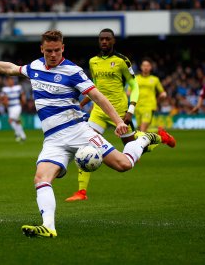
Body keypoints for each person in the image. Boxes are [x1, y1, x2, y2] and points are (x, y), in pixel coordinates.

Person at [0, 29, 176, 238]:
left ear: (63, 48)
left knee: (123, 165)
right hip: (53, 139)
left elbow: (98, 97)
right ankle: (48, 226)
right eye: (49, 50)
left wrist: (119, 121)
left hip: (79, 131)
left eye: (57, 50)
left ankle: (144, 139)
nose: (53, 54)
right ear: (42, 49)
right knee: (41, 178)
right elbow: (11, 68)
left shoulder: (72, 71)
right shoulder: (35, 66)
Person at [65, 29, 175, 202]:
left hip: (119, 112)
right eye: (101, 39)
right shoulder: (93, 62)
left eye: (107, 39)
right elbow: (95, 86)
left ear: (113, 41)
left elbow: (134, 85)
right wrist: (81, 104)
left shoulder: (122, 61)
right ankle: (81, 192)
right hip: (99, 111)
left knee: (131, 148)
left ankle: (159, 138)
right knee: (87, 146)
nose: (104, 42)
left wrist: (130, 110)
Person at [135, 58, 167, 131]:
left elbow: (162, 92)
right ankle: (159, 133)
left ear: (150, 67)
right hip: (138, 106)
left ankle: (159, 134)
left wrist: (160, 97)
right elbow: (129, 91)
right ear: (141, 67)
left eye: (148, 65)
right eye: (144, 65)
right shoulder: (135, 79)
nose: (146, 67)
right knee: (140, 130)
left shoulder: (155, 79)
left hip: (149, 106)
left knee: (142, 130)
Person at [0, 76, 27, 142]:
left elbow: (23, 95)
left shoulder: (18, 88)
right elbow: (2, 98)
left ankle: (21, 135)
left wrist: (23, 101)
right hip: (10, 107)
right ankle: (19, 134)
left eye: (11, 80)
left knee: (10, 120)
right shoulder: (4, 89)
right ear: (6, 82)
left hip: (17, 106)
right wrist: (4, 102)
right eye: (8, 81)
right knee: (17, 121)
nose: (10, 82)